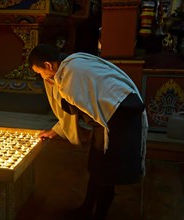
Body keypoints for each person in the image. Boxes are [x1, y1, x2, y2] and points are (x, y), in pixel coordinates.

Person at [28, 44, 148, 220]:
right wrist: (57, 131)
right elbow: (80, 106)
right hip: (108, 119)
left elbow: (75, 107)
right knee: (96, 169)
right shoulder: (72, 65)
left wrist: (80, 130)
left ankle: (98, 215)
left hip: (119, 120)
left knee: (106, 175)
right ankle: (86, 209)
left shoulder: (71, 73)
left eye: (40, 73)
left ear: (48, 65)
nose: (43, 77)